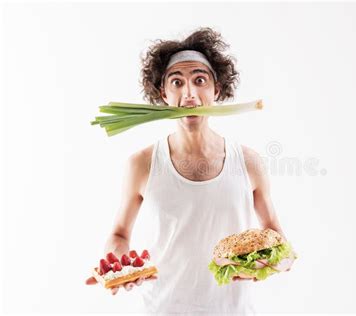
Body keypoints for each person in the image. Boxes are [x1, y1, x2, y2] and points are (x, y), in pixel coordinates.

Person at [86, 27, 291, 314]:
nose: (190, 94)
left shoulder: (249, 162)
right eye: (177, 82)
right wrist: (119, 265)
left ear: (216, 89)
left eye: (199, 80)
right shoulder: (141, 164)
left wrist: (267, 266)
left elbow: (278, 240)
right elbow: (119, 234)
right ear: (163, 93)